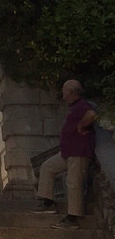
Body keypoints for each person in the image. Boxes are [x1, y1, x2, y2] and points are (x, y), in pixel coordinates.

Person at [32, 79, 97, 229]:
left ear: (71, 92)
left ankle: (72, 218)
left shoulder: (81, 105)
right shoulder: (74, 107)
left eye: (64, 90)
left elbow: (92, 114)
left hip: (79, 152)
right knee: (47, 167)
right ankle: (48, 202)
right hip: (68, 152)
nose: (62, 92)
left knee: (73, 183)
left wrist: (81, 126)